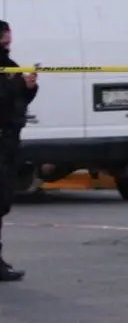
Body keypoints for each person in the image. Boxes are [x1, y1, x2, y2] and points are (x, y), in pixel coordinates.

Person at [0, 21, 36, 282]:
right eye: (5, 33)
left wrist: (28, 86)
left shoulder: (9, 65)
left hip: (8, 142)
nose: (9, 37)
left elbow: (17, 101)